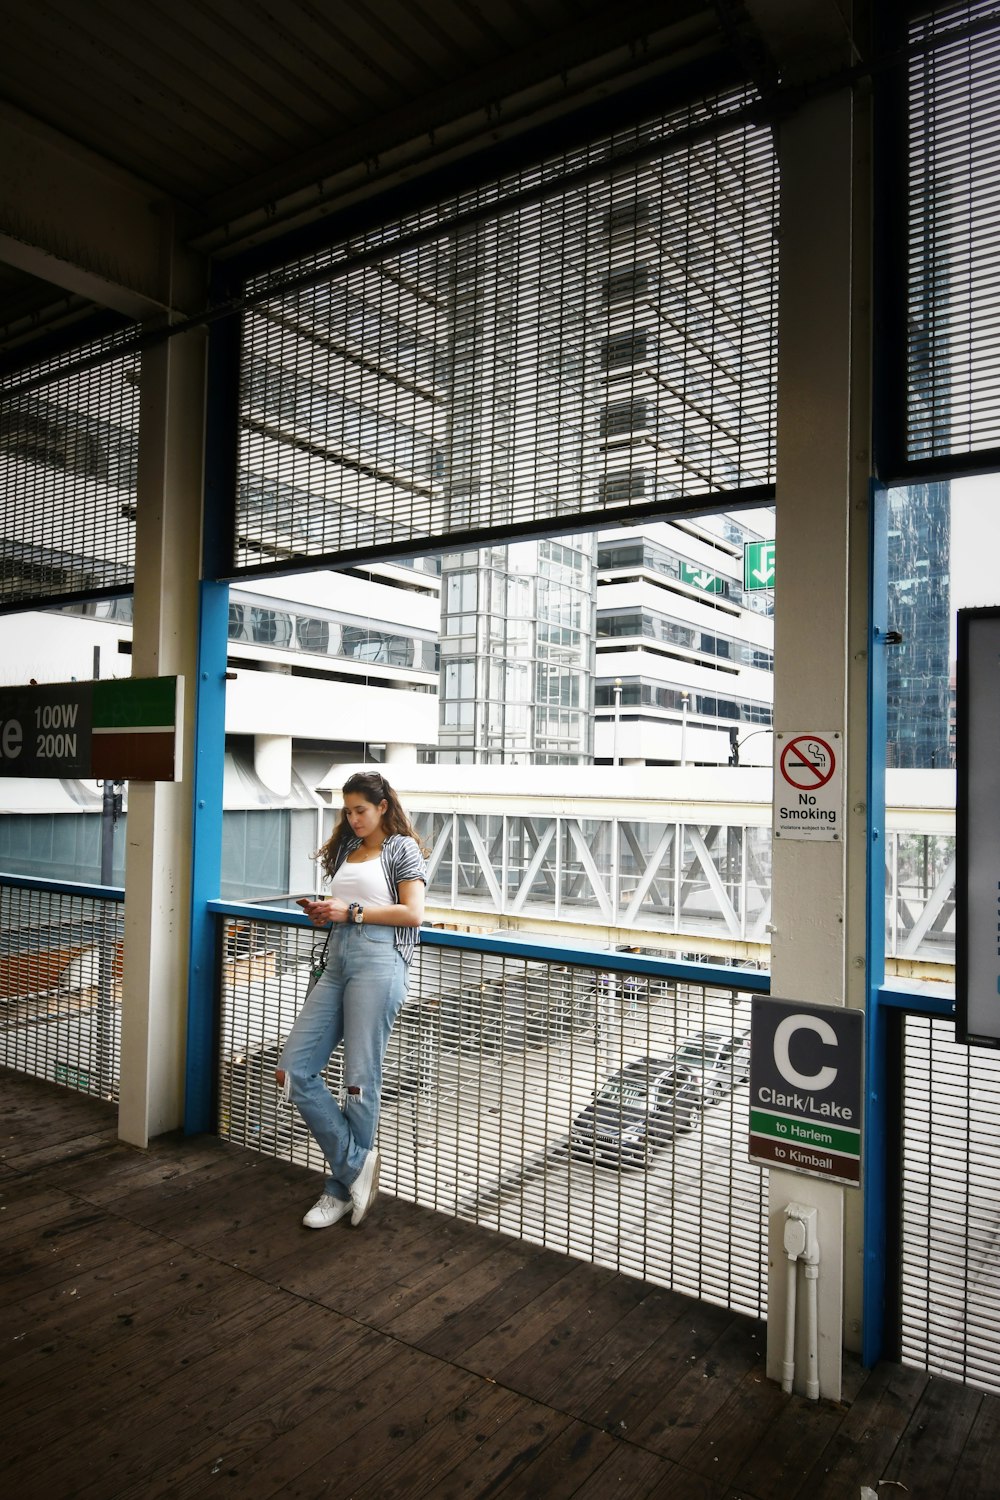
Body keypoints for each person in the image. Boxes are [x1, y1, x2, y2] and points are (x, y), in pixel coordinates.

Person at [275, 770, 427, 1229]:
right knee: (294, 1068)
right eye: (348, 810)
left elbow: (413, 913)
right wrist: (327, 913)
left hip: (380, 963)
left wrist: (352, 912)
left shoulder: (402, 848)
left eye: (361, 809)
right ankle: (356, 1165)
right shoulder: (345, 848)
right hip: (337, 957)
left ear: (382, 807)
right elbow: (344, 907)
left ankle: (338, 1190)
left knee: (359, 1079)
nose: (353, 818)